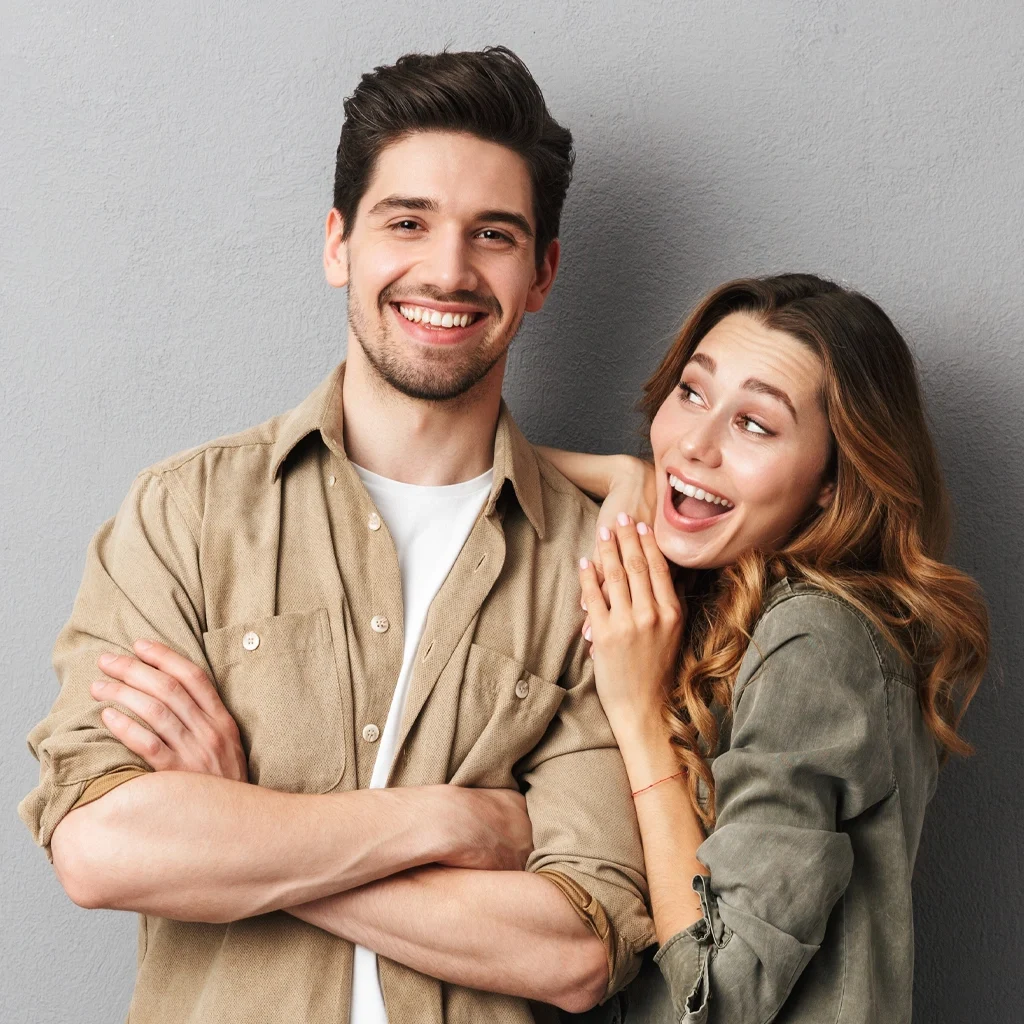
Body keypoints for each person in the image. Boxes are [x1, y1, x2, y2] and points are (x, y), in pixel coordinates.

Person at [18, 47, 655, 1024]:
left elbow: (574, 945)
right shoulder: (188, 514)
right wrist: (453, 819)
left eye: (493, 234)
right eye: (408, 222)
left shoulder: (595, 571)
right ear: (338, 244)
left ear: (541, 274)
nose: (447, 269)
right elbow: (104, 848)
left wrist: (242, 826)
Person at [545, 273, 989, 1022]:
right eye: (692, 393)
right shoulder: (733, 601)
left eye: (756, 425)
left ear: (831, 480)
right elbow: (464, 460)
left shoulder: (817, 639)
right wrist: (627, 473)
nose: (695, 444)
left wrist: (637, 713)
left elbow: (718, 997)